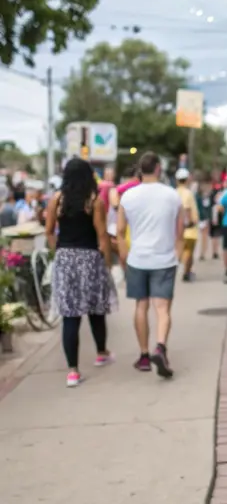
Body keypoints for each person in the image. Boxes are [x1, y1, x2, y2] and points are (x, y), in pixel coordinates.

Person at [45, 158, 114, 387]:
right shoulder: (94, 201)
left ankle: (72, 371)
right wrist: (106, 262)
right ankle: (101, 353)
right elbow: (102, 234)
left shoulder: (57, 199)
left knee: (70, 316)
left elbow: (49, 231)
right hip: (89, 257)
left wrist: (59, 249)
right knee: (96, 308)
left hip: (65, 258)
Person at [118, 151, 184, 378]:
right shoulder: (173, 195)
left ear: (140, 170)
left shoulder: (127, 196)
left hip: (137, 258)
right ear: (158, 168)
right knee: (162, 308)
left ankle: (144, 356)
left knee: (141, 306)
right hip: (164, 259)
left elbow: (118, 231)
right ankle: (160, 347)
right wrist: (178, 254)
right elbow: (180, 232)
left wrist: (125, 257)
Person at [175, 168, 199, 281]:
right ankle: (186, 272)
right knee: (188, 251)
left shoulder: (174, 192)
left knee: (181, 251)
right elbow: (186, 208)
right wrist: (188, 223)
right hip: (188, 228)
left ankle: (186, 271)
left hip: (177, 228)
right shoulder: (187, 193)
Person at [195, 177, 212, 260]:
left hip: (204, 218)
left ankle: (202, 253)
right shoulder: (198, 196)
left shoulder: (205, 196)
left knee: (204, 237)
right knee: (202, 237)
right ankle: (201, 253)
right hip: (201, 218)